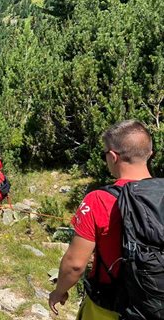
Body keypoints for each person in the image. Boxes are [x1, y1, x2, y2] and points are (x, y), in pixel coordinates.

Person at [49, 120, 153, 319]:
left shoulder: (99, 199)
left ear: (113, 156)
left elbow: (75, 264)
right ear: (149, 153)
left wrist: (58, 291)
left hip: (109, 305)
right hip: (155, 304)